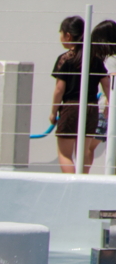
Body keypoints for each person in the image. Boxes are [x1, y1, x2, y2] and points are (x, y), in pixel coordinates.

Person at [51, 16, 110, 173]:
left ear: (68, 36)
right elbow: (106, 83)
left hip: (70, 108)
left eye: (61, 33)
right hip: (91, 108)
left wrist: (53, 112)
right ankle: (83, 184)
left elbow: (59, 89)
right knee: (83, 153)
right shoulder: (95, 58)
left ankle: (72, 187)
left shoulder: (65, 59)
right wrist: (110, 103)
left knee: (65, 154)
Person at [88, 20, 116, 160]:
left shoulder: (109, 60)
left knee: (87, 146)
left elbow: (112, 82)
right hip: (109, 107)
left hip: (106, 109)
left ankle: (82, 177)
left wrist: (109, 103)